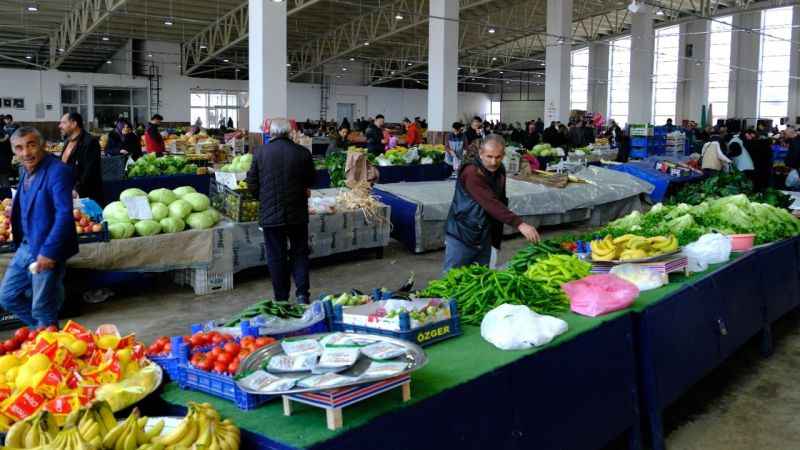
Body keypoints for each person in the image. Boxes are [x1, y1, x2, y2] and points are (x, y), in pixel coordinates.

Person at [0, 127, 78, 327]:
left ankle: (49, 345)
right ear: (13, 151)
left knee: (42, 307)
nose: (25, 153)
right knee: (7, 297)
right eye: (19, 148)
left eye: (31, 145)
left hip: (47, 248)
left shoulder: (58, 171)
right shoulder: (24, 170)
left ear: (42, 145)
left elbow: (64, 214)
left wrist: (49, 253)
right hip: (26, 246)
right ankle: (45, 334)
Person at [443, 134, 540, 272]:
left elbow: (501, 200)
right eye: (489, 156)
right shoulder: (471, 172)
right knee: (452, 280)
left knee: (480, 278)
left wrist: (495, 240)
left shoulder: (500, 170)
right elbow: (490, 202)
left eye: (498, 157)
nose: (494, 162)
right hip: (463, 233)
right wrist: (519, 223)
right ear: (481, 154)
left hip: (484, 235)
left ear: (503, 155)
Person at [247, 119, 316, 304]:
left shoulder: (260, 153)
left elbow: (251, 183)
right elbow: (312, 179)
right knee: (299, 253)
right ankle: (302, 294)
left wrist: (264, 198)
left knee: (276, 256)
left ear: (271, 133)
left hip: (271, 215)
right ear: (290, 132)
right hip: (297, 213)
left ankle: (281, 298)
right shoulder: (303, 153)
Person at [58, 112, 102, 200]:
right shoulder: (68, 141)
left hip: (84, 196)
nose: (60, 126)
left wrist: (77, 189)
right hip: (67, 191)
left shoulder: (90, 142)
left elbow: (89, 170)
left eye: (63, 123)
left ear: (74, 124)